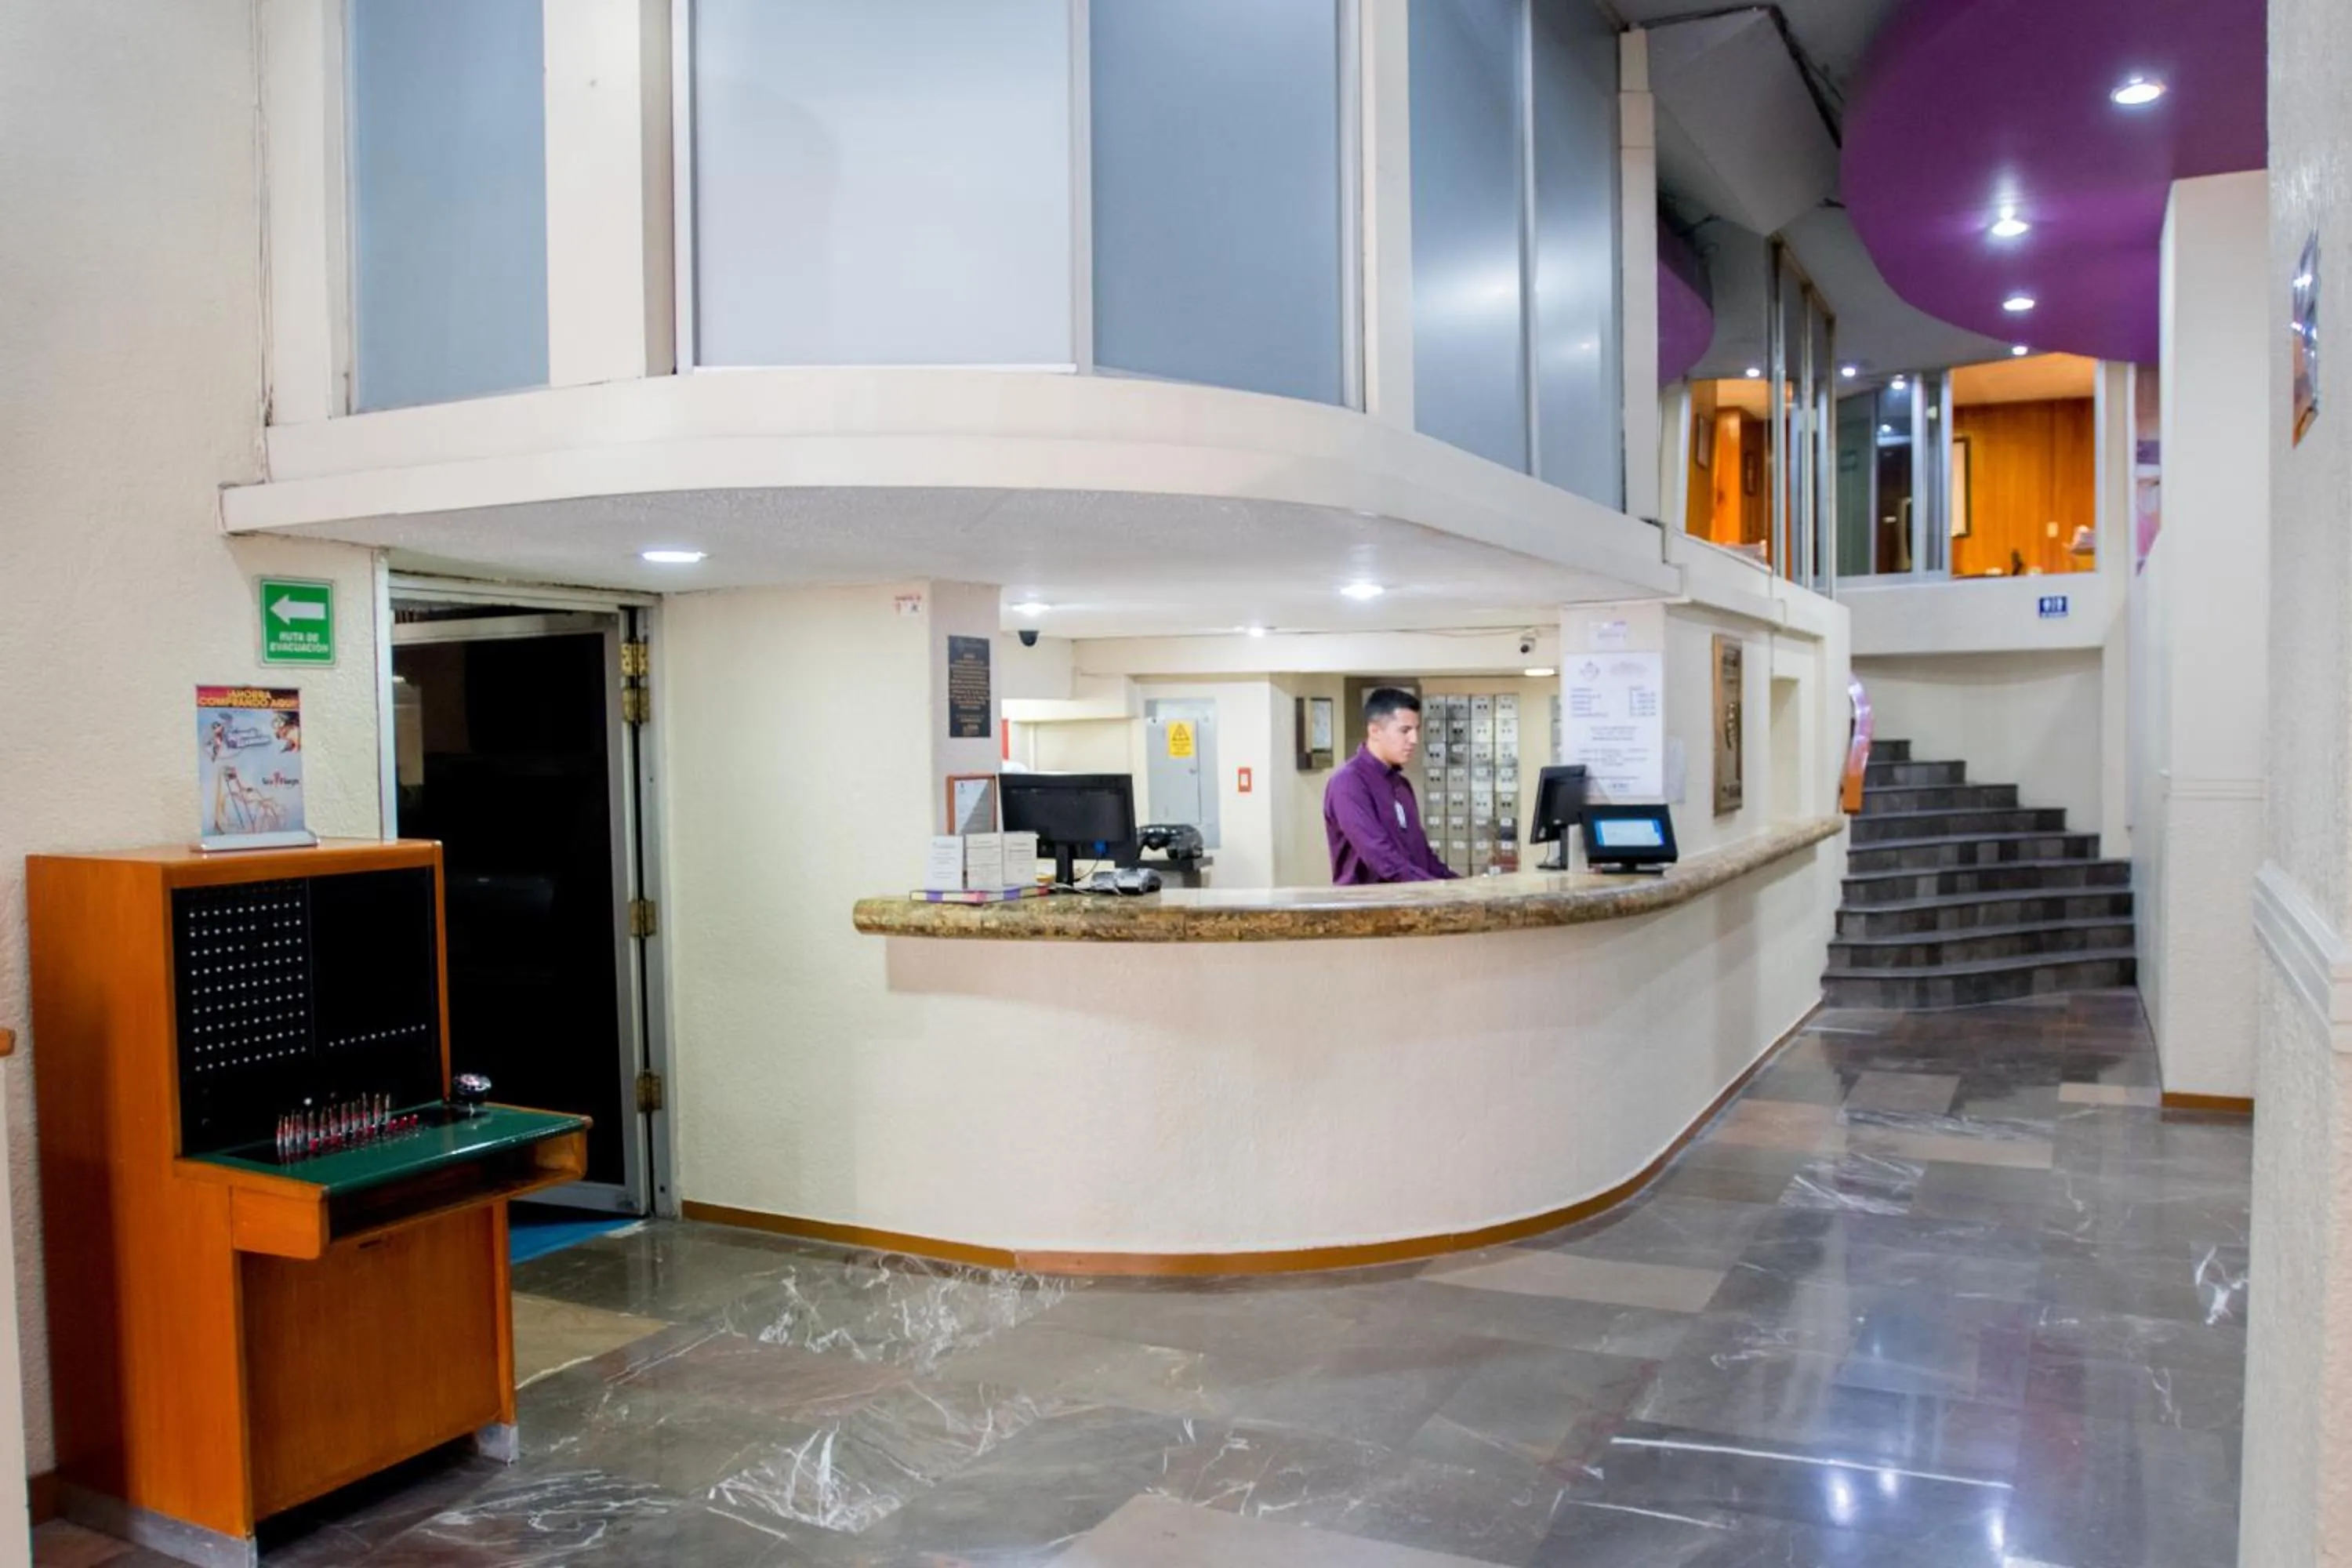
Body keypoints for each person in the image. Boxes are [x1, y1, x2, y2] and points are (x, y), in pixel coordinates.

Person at [1324, 688, 1457, 884]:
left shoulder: (1401, 785)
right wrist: (1434, 889)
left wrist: (1462, 887)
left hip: (1411, 904)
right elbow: (1380, 856)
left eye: (1416, 730)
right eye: (1405, 731)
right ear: (1375, 731)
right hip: (1368, 910)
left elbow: (1422, 855)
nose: (1414, 740)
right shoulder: (1349, 782)